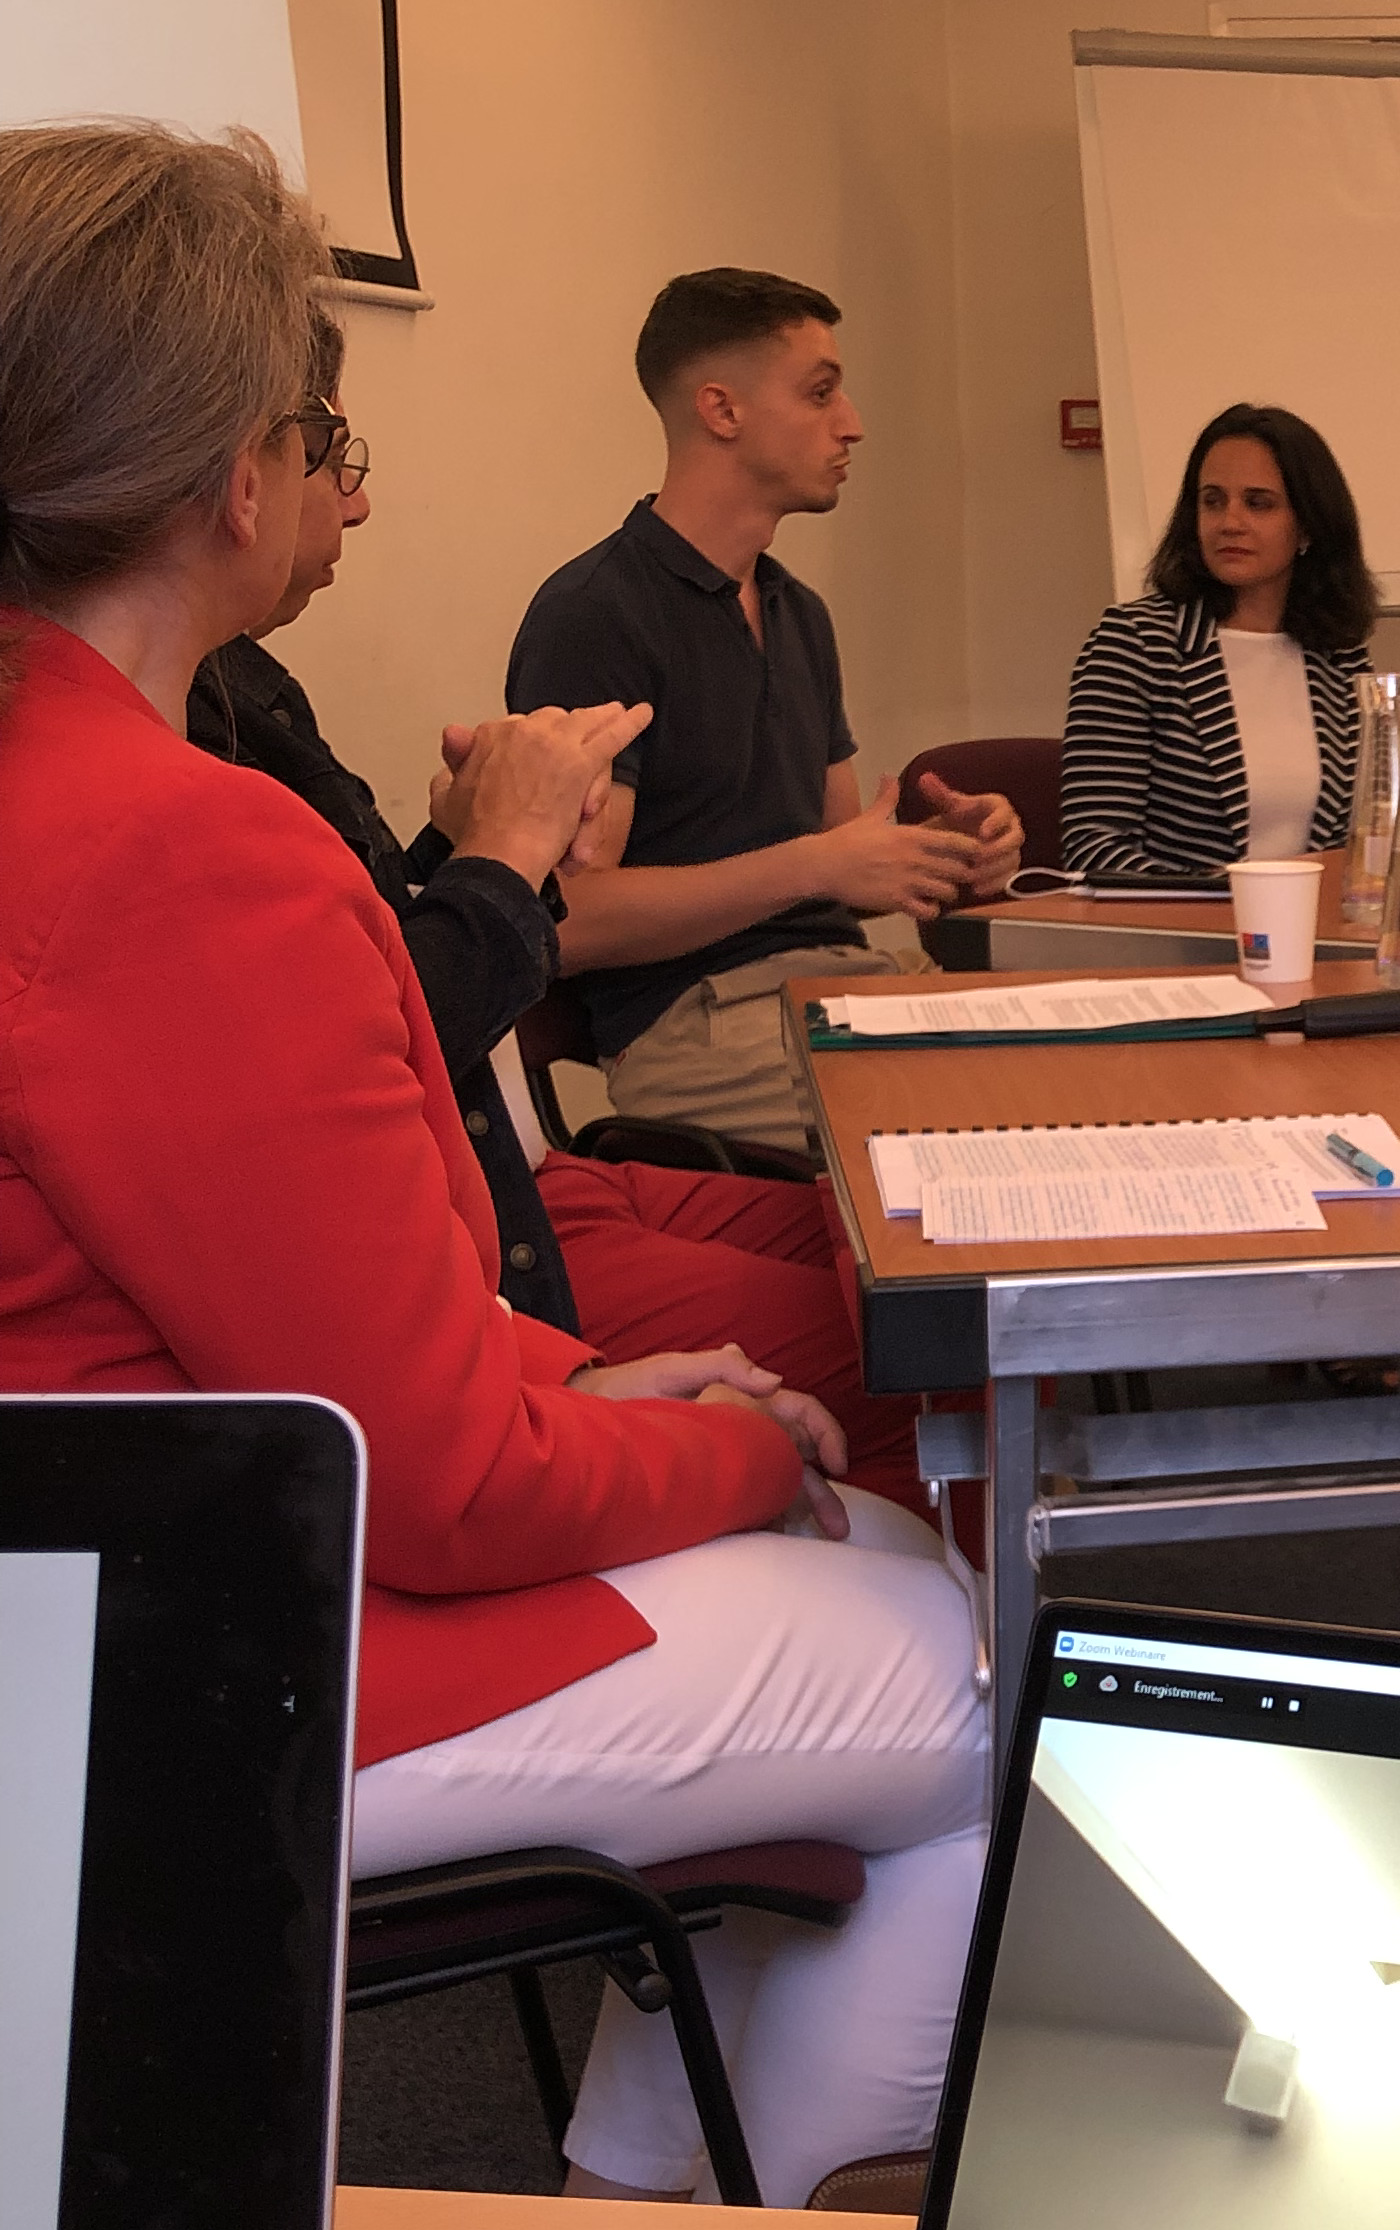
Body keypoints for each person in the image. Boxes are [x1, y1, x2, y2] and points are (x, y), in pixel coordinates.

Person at [0, 124, 988, 2208]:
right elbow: (433, 1492)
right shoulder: (179, 849)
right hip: (200, 1675)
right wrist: (748, 1450)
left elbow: (280, 1335)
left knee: (854, 1580)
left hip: (98, 1613)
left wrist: (589, 1390)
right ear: (230, 476)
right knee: (964, 1665)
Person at [188, 315, 935, 1514]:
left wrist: (474, 845)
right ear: (232, 478)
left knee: (911, 1235)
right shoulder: (182, 748)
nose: (357, 502)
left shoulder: (240, 688)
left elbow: (366, 961)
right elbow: (369, 1049)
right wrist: (507, 853)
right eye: (329, 452)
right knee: (922, 1338)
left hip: (530, 1166)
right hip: (513, 1190)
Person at [508, 268, 1023, 1156]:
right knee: (994, 1134)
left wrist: (939, 857)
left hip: (845, 983)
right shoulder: (598, 614)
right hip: (697, 1022)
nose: (852, 421)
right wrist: (821, 863)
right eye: (820, 393)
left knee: (1104, 1076)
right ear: (722, 410)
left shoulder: (799, 613)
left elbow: (837, 873)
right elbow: (569, 920)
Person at [1060, 404, 1372, 884]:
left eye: (1258, 503)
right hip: (1175, 939)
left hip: (1313, 932)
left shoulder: (1338, 653)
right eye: (1212, 500)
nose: (1229, 522)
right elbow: (1093, 844)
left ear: (1308, 526)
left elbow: (1362, 833)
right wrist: (1225, 903)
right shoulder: (1136, 644)